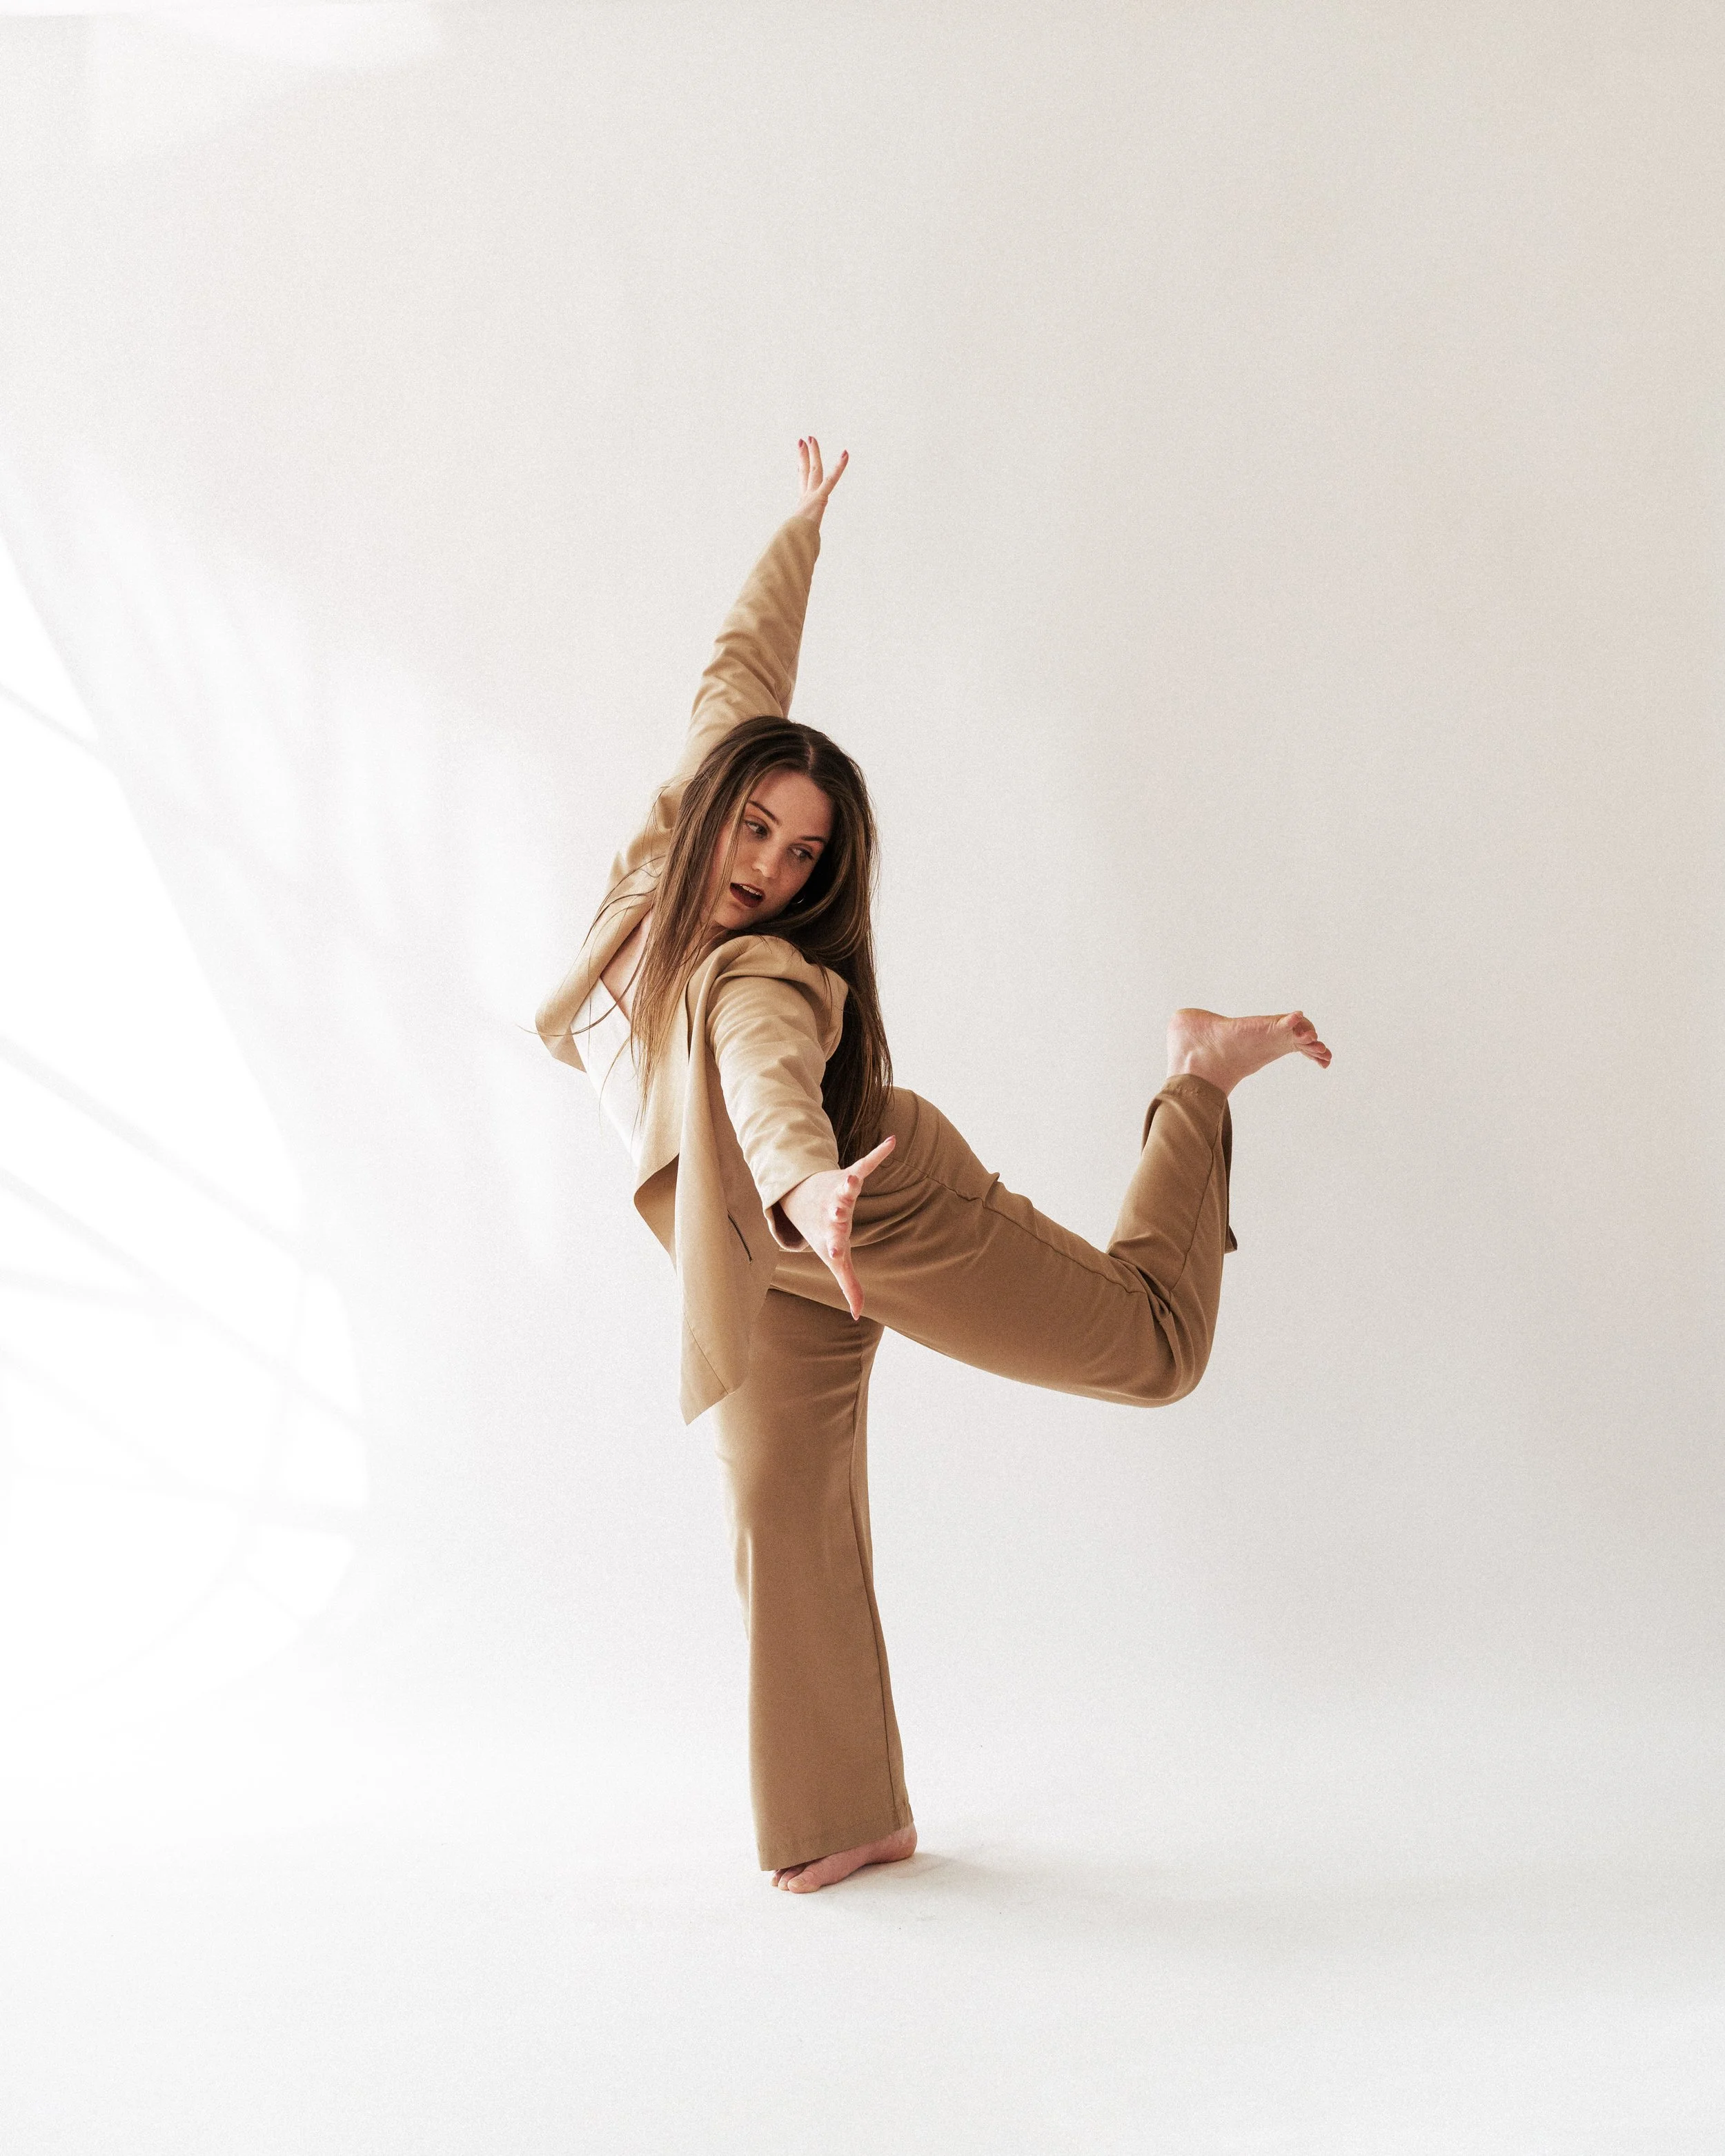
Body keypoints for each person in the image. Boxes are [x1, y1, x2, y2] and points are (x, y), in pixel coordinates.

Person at [537, 439, 1331, 1893]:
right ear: (711, 804)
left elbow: (764, 1091)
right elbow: (738, 671)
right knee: (780, 1509)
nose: (770, 867)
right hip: (770, 1246)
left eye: (802, 854)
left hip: (866, 1197)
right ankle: (845, 1819)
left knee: (1153, 1351)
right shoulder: (653, 870)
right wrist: (802, 530)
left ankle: (1195, 1077)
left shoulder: (750, 978)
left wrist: (811, 1190)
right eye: (759, 826)